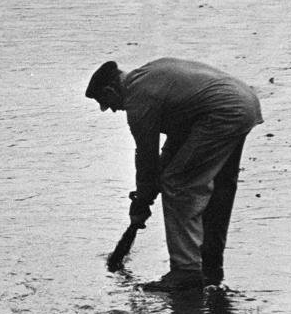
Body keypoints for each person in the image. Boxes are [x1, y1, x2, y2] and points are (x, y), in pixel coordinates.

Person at [84, 56, 262, 291]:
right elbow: (177, 142)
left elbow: (146, 158)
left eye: (105, 102)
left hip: (222, 112)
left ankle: (186, 271)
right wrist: (146, 194)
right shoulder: (149, 76)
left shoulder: (138, 97)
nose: (110, 109)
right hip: (243, 103)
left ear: (110, 89)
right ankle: (211, 267)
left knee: (179, 184)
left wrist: (142, 201)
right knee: (220, 186)